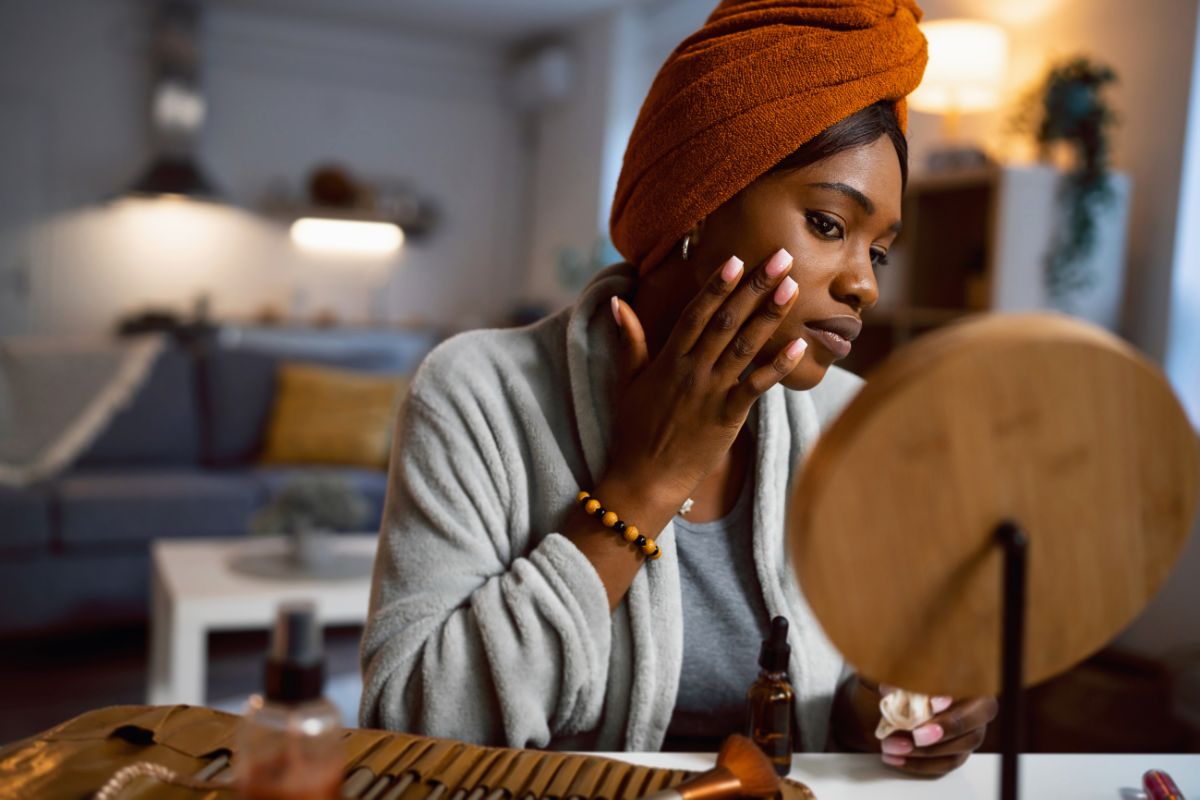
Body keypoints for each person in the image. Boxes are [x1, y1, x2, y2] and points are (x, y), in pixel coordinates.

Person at [360, 0, 997, 776]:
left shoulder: (851, 422)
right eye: (829, 225)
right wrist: (643, 485)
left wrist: (902, 714)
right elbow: (404, 733)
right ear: (697, 204)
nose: (865, 284)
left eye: (882, 252)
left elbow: (852, 689)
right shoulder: (478, 396)